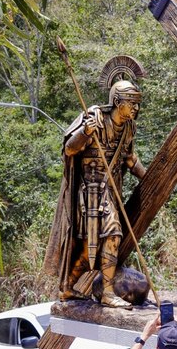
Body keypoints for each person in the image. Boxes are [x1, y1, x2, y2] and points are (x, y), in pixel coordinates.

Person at [43, 79, 147, 309]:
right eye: (132, 103)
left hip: (109, 190)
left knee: (101, 242)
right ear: (117, 102)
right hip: (88, 191)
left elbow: (130, 159)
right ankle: (104, 293)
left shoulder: (129, 128)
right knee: (103, 238)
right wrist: (85, 131)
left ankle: (70, 287)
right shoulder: (95, 117)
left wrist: (149, 178)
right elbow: (70, 148)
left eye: (137, 104)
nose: (136, 109)